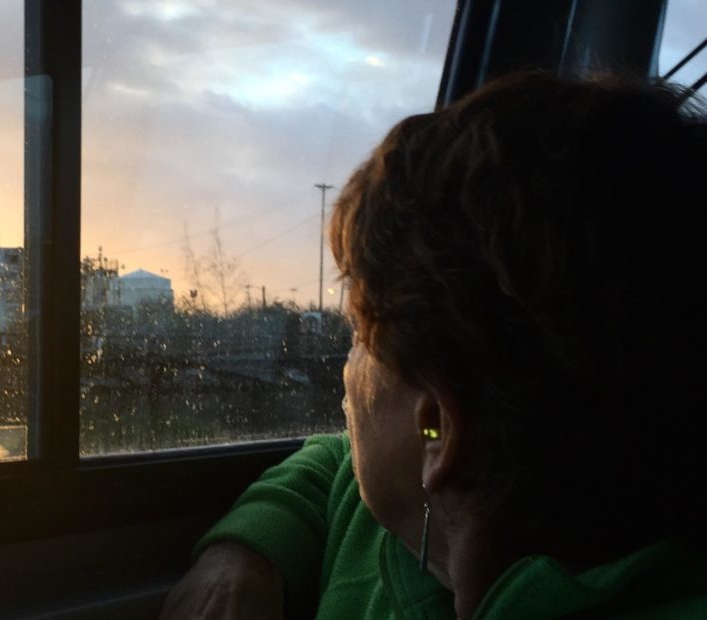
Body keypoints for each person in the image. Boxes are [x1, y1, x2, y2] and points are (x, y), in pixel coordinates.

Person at [159, 73, 707, 619]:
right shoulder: (399, 518)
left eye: (359, 338)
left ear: (436, 431)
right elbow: (333, 460)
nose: (347, 375)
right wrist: (246, 552)